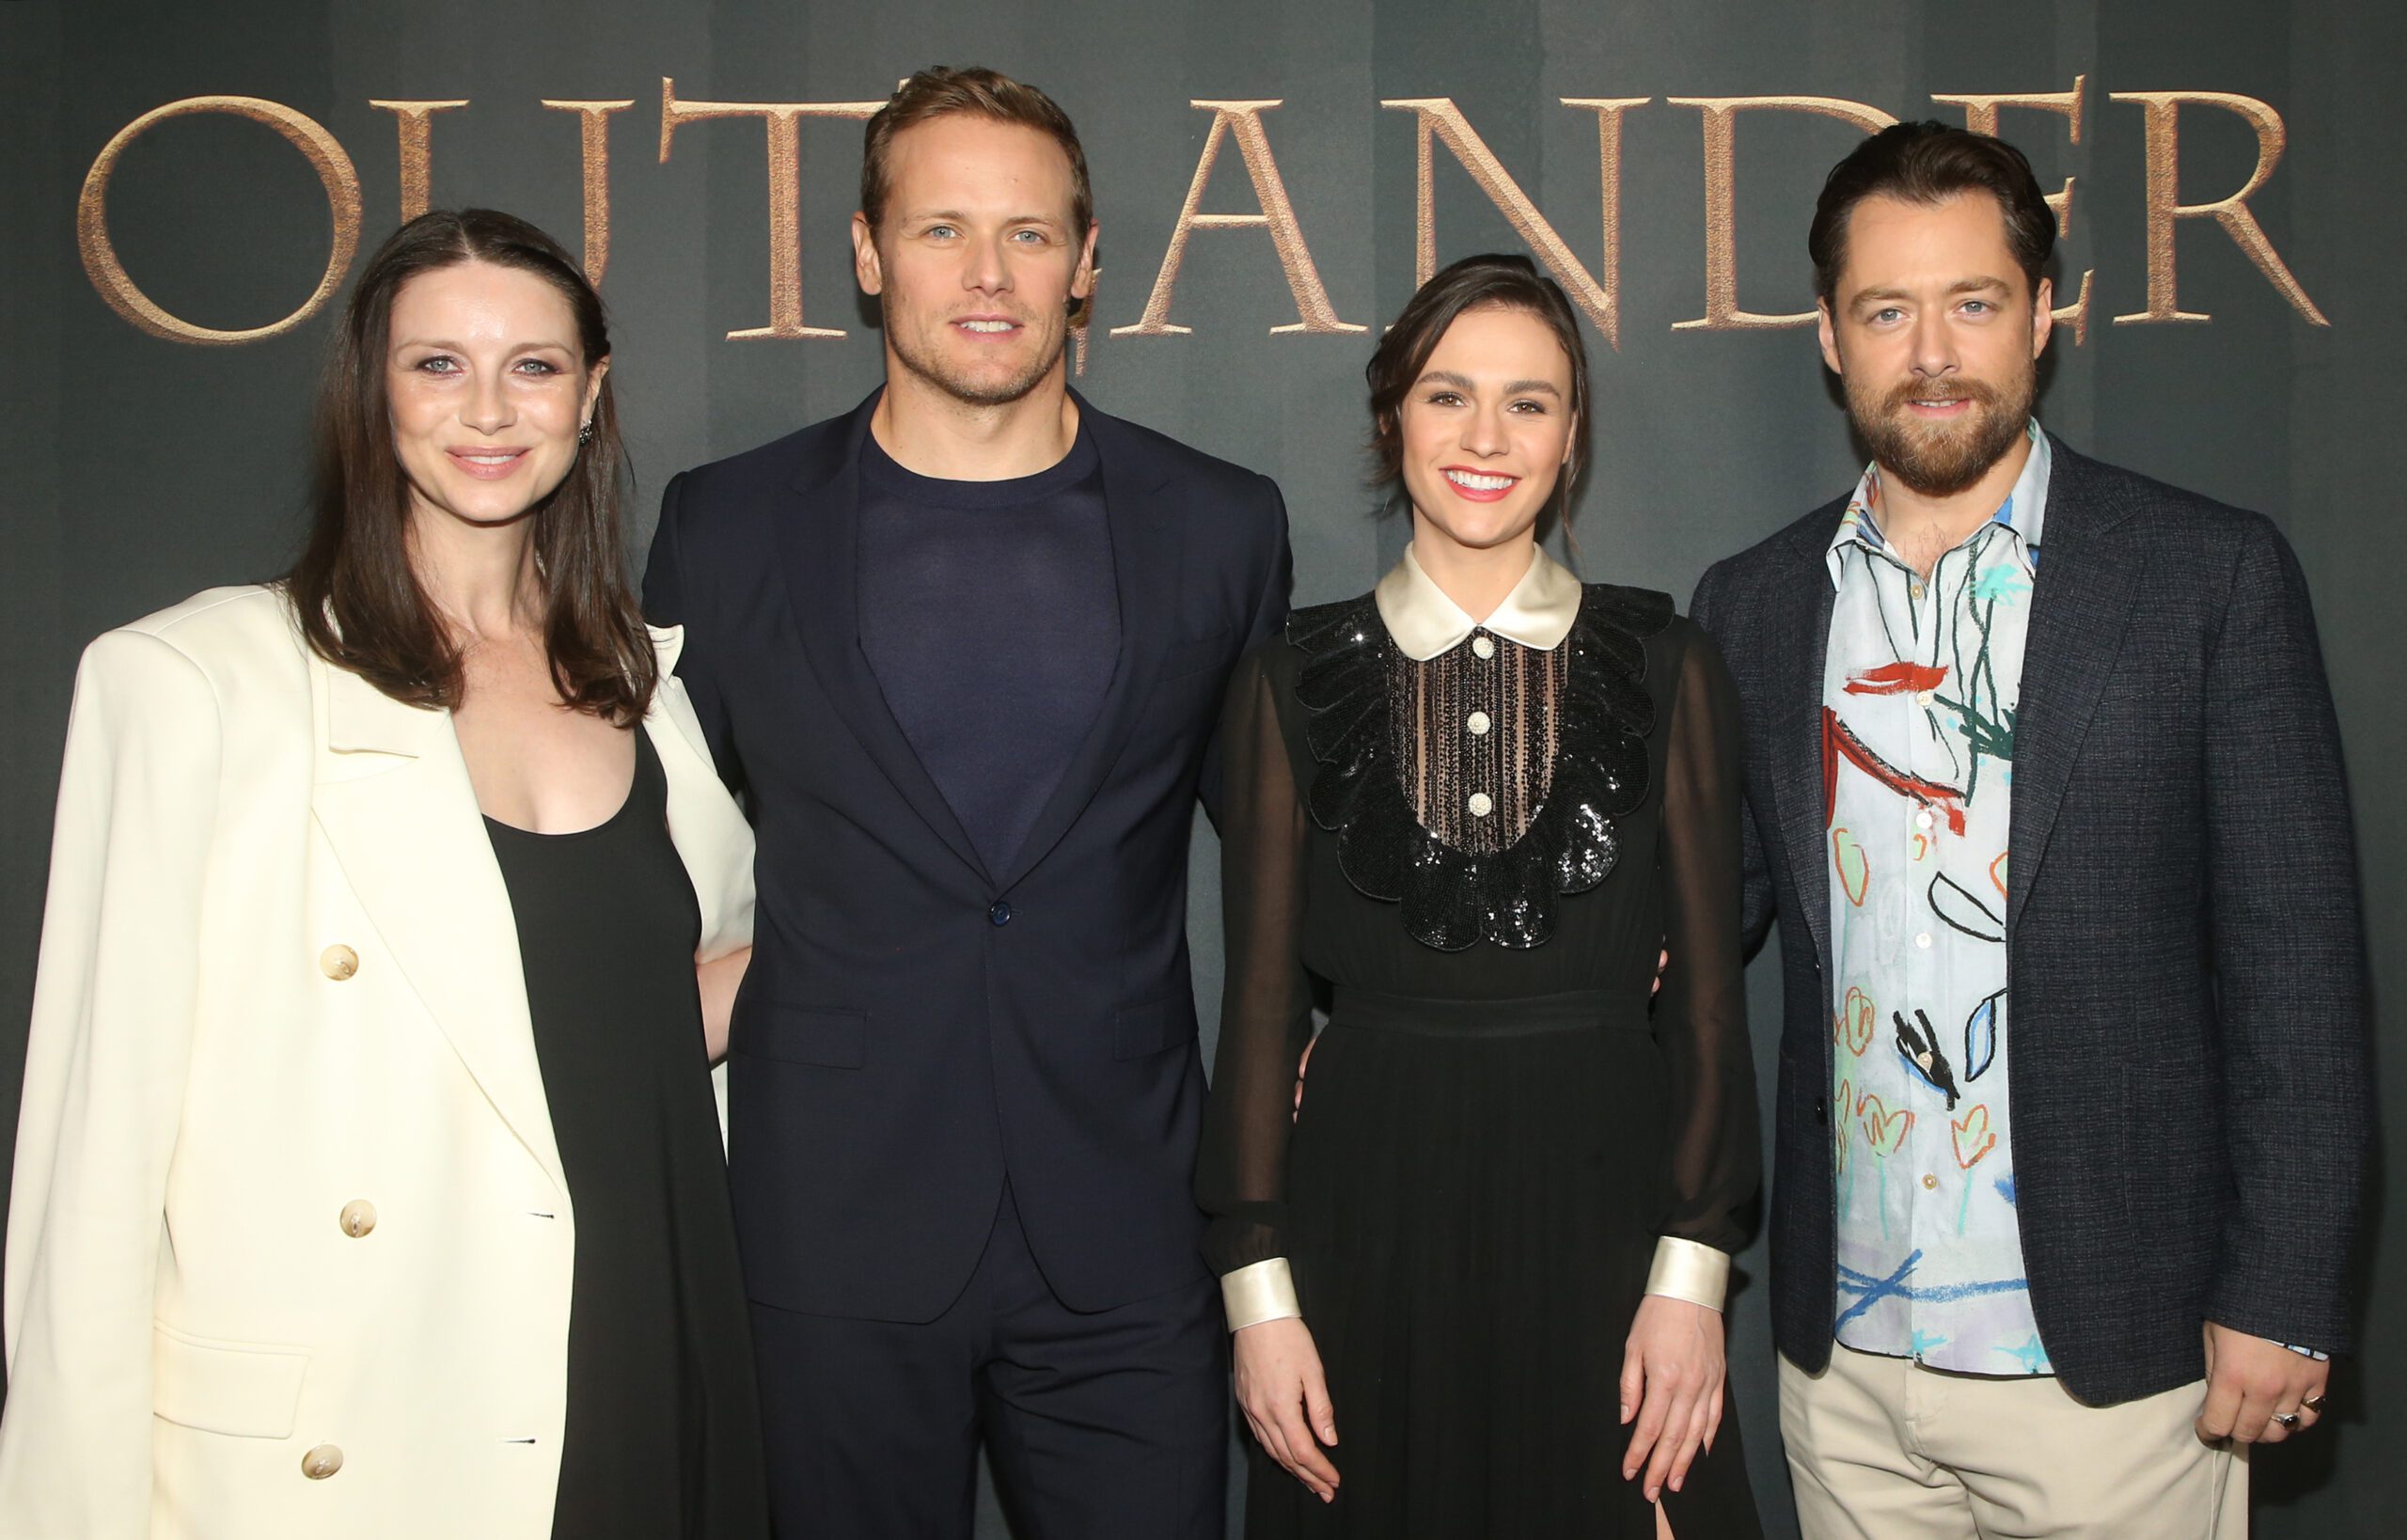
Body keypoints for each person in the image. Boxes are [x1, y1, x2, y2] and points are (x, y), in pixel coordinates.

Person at [0, 210, 769, 1540]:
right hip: (384, 1397)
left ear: (589, 398)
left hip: (651, 1335)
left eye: (532, 366)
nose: (487, 407)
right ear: (372, 390)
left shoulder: (651, 690)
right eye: (437, 365)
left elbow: (633, 1019)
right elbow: (92, 1177)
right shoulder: (199, 683)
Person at [1690, 122, 2371, 1540]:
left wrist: (2287, 1289)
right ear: (1830, 334)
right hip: (1849, 1375)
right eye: (1887, 310)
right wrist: (1407, 1005)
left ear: (2043, 314)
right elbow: (1691, 925)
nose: (1931, 352)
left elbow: (2298, 967)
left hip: (2123, 1372)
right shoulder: (1754, 605)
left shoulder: (2206, 575)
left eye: (1974, 303)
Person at [641, 67, 1291, 1538]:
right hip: (826, 1234)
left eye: (1029, 234)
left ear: (1088, 264)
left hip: (1128, 1230)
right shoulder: (726, 526)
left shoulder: (1222, 524)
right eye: (940, 229)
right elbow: (644, 845)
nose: (987, 276)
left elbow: (1283, 848)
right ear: (867, 254)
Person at [1197, 253, 1764, 1539]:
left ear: (1572, 439)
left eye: (1531, 401)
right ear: (1390, 413)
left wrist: (1694, 1273)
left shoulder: (1667, 664)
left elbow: (1713, 1013)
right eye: (1448, 395)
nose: (1487, 438)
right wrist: (1258, 1295)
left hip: (1613, 1234)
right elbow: (1262, 1015)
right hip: (1365, 1239)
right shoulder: (1291, 682)